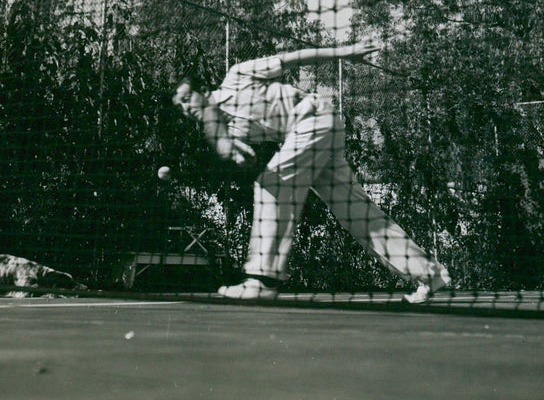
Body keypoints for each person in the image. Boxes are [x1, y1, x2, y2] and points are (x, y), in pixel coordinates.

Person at [172, 42, 451, 302]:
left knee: (270, 184)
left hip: (314, 116)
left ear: (203, 90)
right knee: (355, 212)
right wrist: (239, 156)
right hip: (312, 136)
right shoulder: (229, 130)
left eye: (187, 98)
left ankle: (262, 280)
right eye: (180, 106)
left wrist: (344, 51)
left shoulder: (237, 75)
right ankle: (429, 274)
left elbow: (293, 58)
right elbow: (240, 152)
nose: (186, 108)